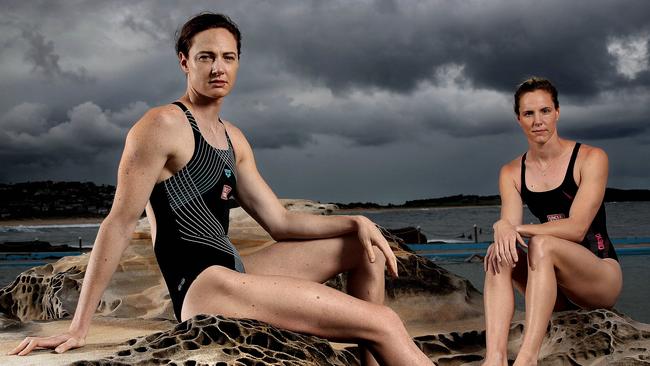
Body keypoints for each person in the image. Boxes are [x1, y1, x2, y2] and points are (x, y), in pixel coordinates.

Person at [9, 13, 432, 366]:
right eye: (206, 56)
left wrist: (357, 220)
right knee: (385, 322)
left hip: (235, 272)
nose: (218, 68)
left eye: (228, 57)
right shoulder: (162, 126)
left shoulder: (234, 139)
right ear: (184, 62)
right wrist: (79, 327)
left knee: (366, 249)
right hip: (203, 286)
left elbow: (280, 222)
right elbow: (118, 224)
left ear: (238, 63)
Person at [482, 77, 622, 366]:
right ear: (518, 119)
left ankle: (528, 358)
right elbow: (507, 229)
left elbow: (577, 227)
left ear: (557, 112)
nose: (538, 121)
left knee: (541, 243)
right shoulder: (510, 171)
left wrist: (513, 228)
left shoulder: (591, 157)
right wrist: (503, 229)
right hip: (552, 287)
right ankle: (494, 357)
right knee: (499, 251)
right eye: (528, 113)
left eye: (545, 111)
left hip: (600, 277)